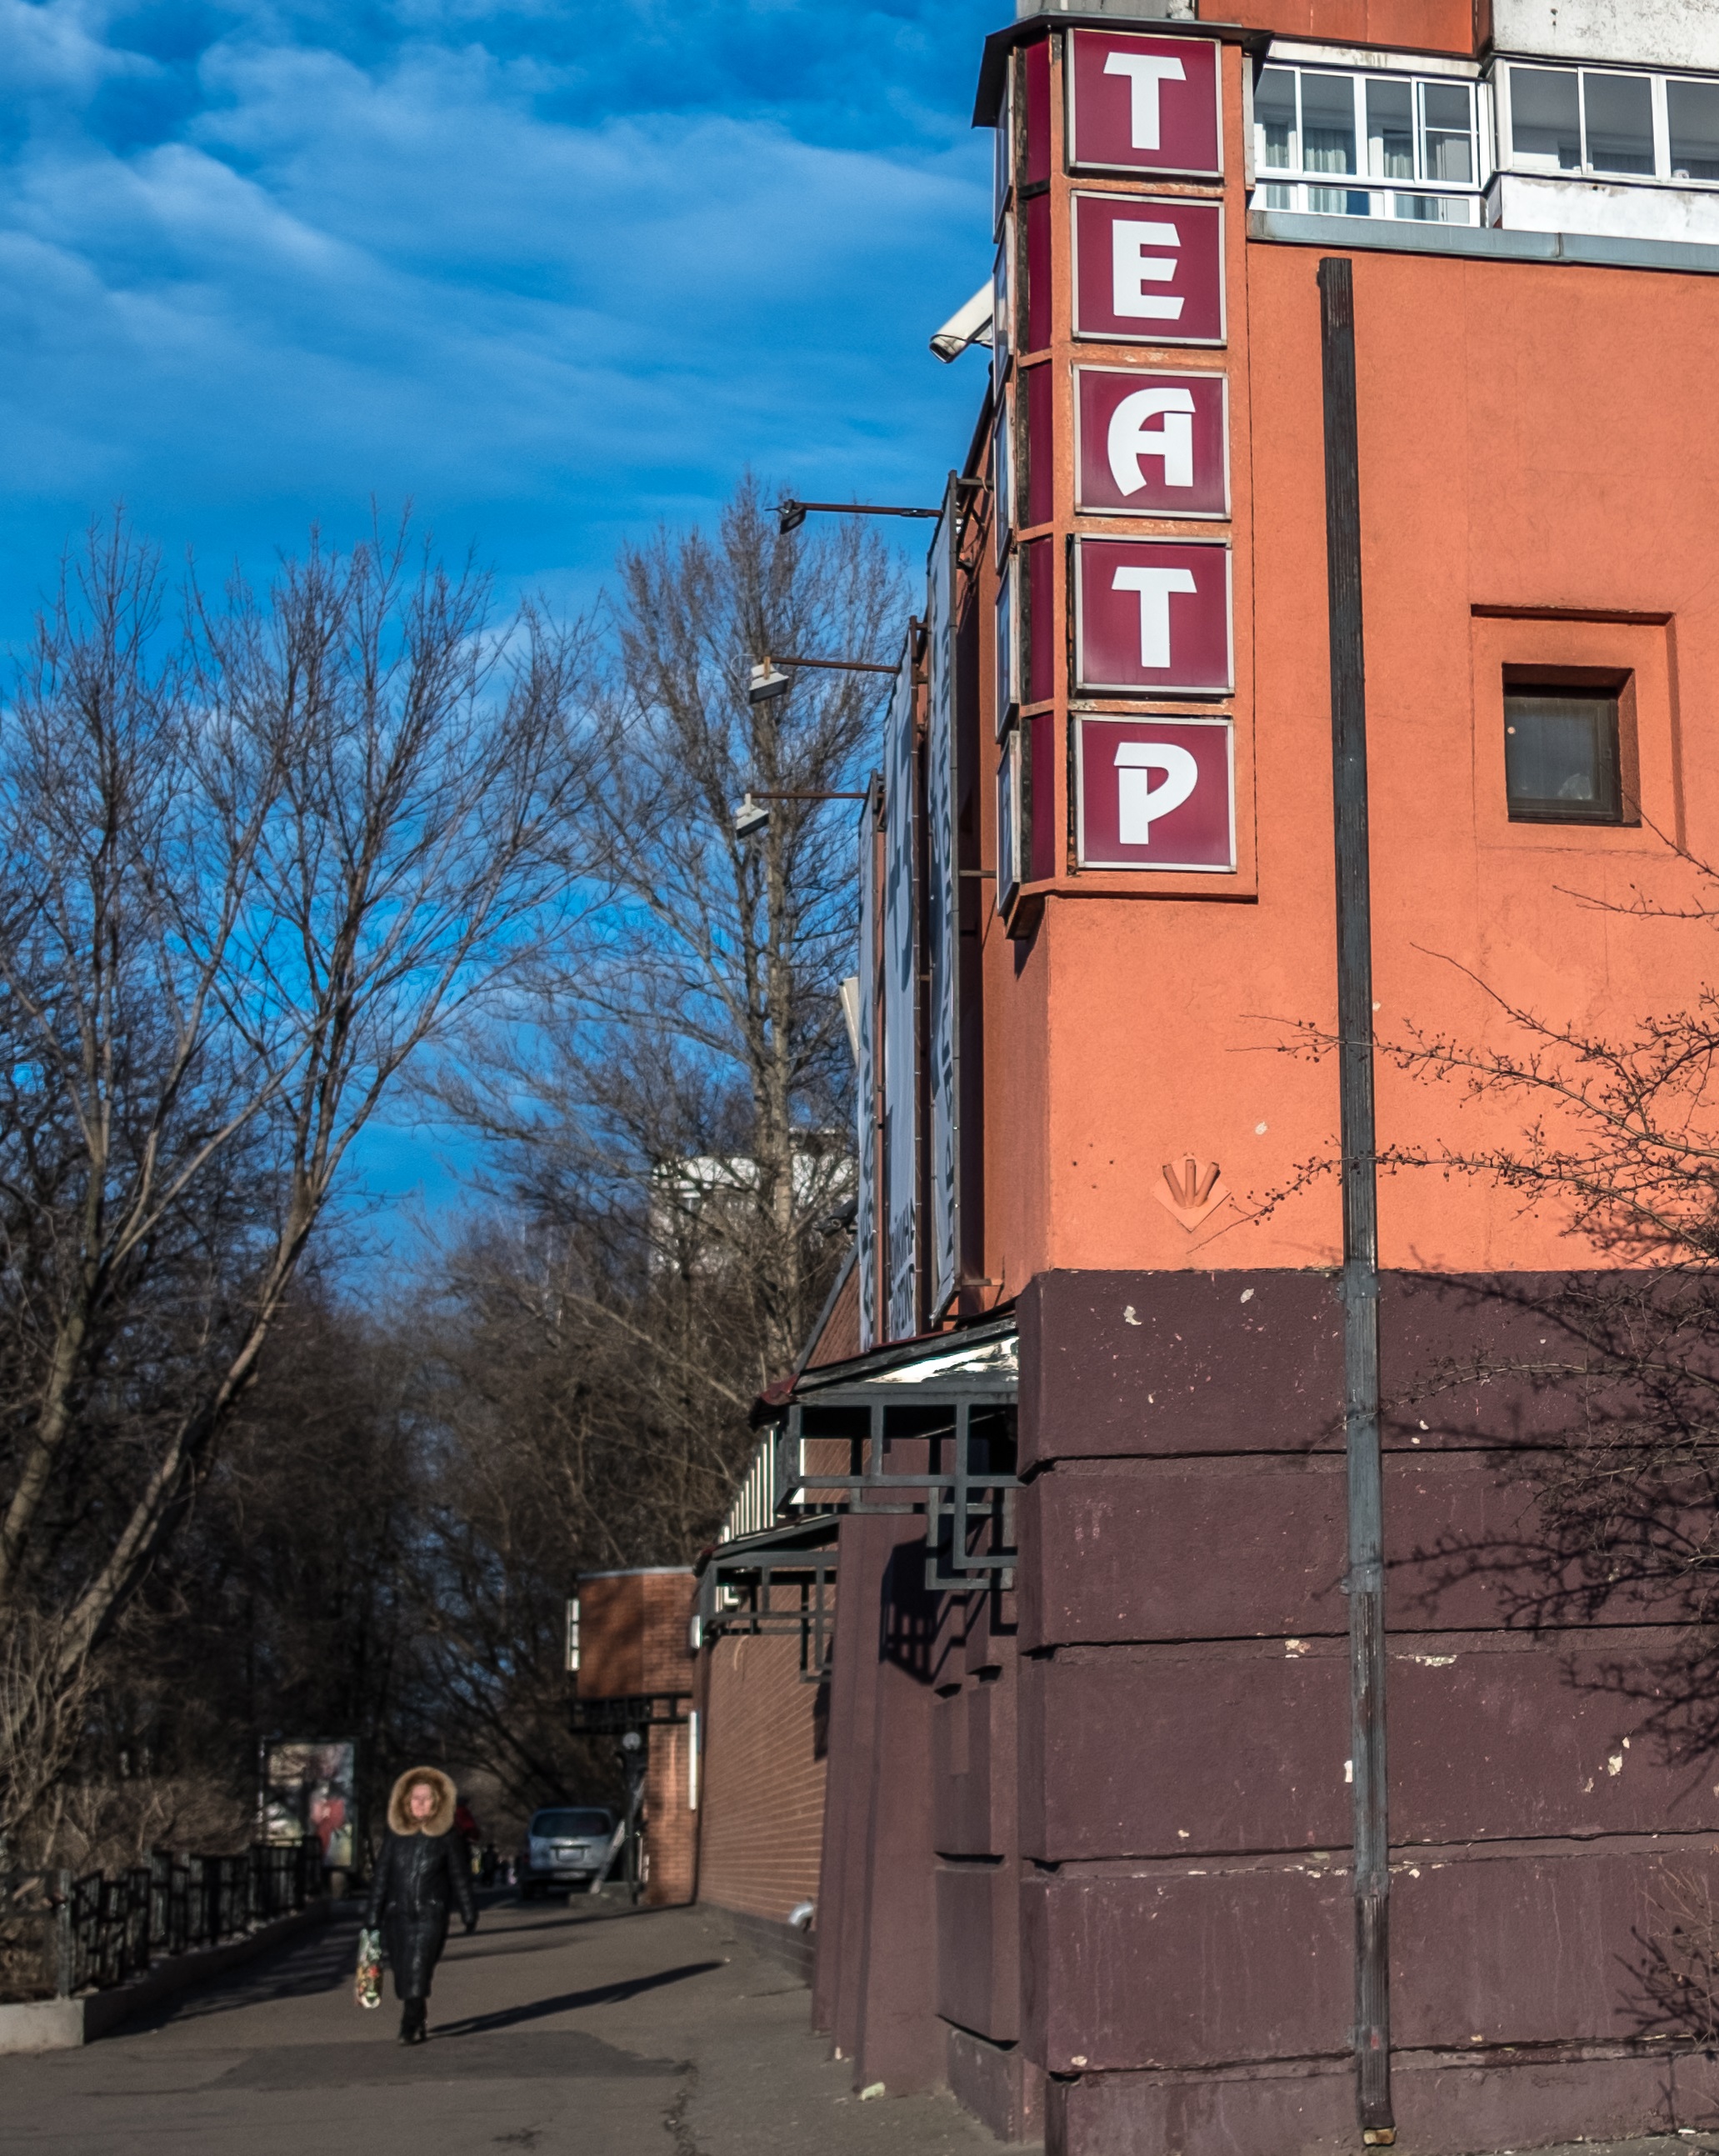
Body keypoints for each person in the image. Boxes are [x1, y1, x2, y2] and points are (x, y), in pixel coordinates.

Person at [362, 1766, 477, 2045]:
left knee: (419, 1966)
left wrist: (468, 1911)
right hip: (397, 1914)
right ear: (405, 1802)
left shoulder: (448, 1838)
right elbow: (381, 1877)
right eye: (416, 1799)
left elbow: (459, 1877)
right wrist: (372, 1914)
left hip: (431, 1913)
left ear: (437, 1802)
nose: (421, 1804)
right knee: (403, 1971)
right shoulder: (394, 1837)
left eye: (427, 1799)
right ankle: (417, 2010)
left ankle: (409, 2024)